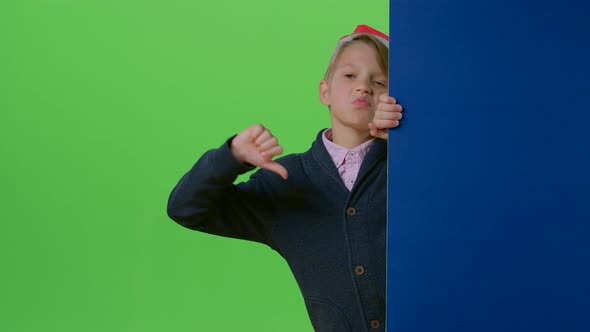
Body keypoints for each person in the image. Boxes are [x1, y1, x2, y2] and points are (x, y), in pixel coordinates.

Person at [167, 24, 403, 332]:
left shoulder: (409, 169)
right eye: (349, 75)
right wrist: (232, 156)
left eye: (379, 81)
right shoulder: (286, 182)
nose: (364, 87)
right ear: (324, 91)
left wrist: (412, 140)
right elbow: (185, 208)